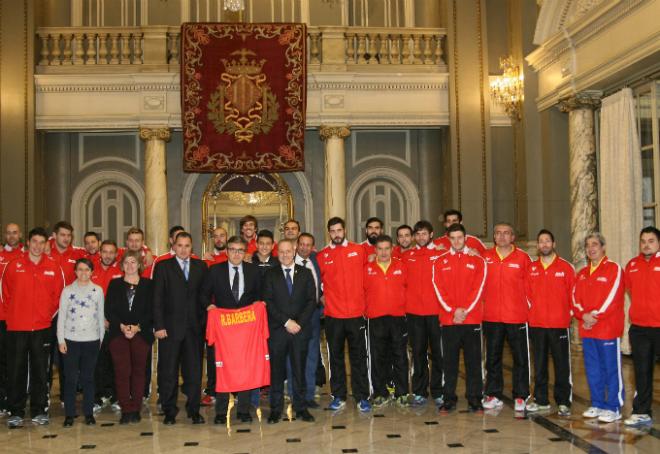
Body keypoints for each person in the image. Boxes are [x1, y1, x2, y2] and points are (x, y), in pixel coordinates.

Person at [2, 227, 65, 428]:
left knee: (41, 370)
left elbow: (59, 297)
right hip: (16, 328)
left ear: (46, 244)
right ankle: (16, 411)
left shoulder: (54, 267)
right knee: (16, 369)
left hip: (42, 327)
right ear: (28, 242)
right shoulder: (13, 265)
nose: (37, 246)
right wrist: (12, 319)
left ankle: (39, 410)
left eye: (41, 242)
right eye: (34, 241)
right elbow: (4, 294)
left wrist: (46, 316)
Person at [201, 236, 262, 424]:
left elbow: (261, 294)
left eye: (240, 250)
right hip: (223, 330)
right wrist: (209, 306)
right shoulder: (215, 270)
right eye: (233, 249)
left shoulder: (254, 271)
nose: (236, 253)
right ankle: (220, 412)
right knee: (221, 369)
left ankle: (243, 410)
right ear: (226, 251)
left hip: (245, 330)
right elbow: (203, 294)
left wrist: (259, 304)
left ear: (245, 253)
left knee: (244, 368)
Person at [153, 232, 208, 425]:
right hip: (169, 329)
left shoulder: (201, 267)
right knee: (168, 373)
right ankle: (169, 411)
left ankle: (194, 410)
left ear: (191, 247)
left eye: (187, 246)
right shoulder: (163, 267)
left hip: (194, 330)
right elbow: (157, 299)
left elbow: (205, 297)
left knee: (194, 373)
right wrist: (158, 325)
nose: (183, 249)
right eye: (180, 245)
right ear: (174, 246)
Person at [318, 217, 371, 412]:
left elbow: (368, 278)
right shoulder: (323, 255)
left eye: (339, 230)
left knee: (358, 358)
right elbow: (316, 283)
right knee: (336, 358)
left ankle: (362, 397)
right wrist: (322, 297)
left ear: (345, 230)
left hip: (357, 315)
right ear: (329, 233)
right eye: (333, 231)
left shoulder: (359, 250)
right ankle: (338, 396)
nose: (336, 234)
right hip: (333, 316)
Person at [432, 223, 487, 412]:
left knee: (473, 362)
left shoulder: (478, 261)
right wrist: (453, 311)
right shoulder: (439, 262)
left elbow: (478, 289)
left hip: (471, 320)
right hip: (449, 321)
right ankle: (449, 398)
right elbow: (439, 289)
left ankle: (475, 398)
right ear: (449, 239)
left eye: (459, 237)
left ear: (465, 238)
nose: (456, 241)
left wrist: (464, 311)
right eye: (453, 238)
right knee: (449, 363)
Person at [262, 239, 316, 424]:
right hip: (278, 331)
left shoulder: (306, 273)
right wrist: (286, 322)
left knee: (299, 371)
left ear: (294, 251)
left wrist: (298, 323)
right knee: (276, 373)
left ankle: (301, 408)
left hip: (300, 331)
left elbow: (311, 301)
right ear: (277, 253)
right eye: (281, 252)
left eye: (288, 251)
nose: (285, 255)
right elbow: (268, 301)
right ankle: (276, 410)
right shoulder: (270, 274)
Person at [573, 232, 625, 423]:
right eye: (588, 245)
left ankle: (613, 406)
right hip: (587, 329)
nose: (591, 248)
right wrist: (583, 315)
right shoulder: (582, 274)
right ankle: (597, 403)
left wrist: (594, 316)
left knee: (611, 368)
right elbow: (574, 299)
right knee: (592, 368)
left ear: (603, 247)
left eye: (595, 244)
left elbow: (613, 297)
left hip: (607, 329)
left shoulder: (614, 269)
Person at [481, 222, 532, 412]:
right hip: (492, 316)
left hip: (516, 317)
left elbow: (531, 288)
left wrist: (529, 311)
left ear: (512, 237)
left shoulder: (523, 258)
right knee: (493, 357)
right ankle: (493, 393)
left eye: (506, 233)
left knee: (520, 358)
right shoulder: (485, 257)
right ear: (494, 237)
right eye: (498, 233)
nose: (502, 236)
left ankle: (521, 395)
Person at [524, 230, 575, 416]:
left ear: (554, 244)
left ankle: (563, 401)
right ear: (538, 246)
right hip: (537, 325)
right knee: (539, 364)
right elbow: (527, 295)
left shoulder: (566, 268)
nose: (544, 244)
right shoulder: (532, 268)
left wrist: (566, 315)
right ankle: (541, 399)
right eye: (541, 241)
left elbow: (573, 296)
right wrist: (533, 313)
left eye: (547, 241)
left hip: (559, 325)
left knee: (562, 365)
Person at [106, 250, 154, 424]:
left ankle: (136, 408)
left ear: (139, 264)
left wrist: (137, 327)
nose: (130, 265)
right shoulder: (115, 284)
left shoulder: (149, 284)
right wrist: (121, 326)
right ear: (122, 265)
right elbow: (109, 309)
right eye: (127, 262)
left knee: (139, 371)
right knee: (122, 371)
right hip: (118, 333)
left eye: (133, 262)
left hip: (141, 333)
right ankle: (126, 408)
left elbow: (152, 310)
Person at [401, 220, 444, 407]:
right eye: (417, 234)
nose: (420, 237)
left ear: (431, 234)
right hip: (414, 313)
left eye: (424, 233)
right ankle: (419, 391)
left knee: (438, 353)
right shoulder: (406, 255)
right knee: (418, 353)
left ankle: (438, 390)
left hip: (436, 312)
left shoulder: (441, 254)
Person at [57, 258, 105, 427]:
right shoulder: (67, 291)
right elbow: (61, 316)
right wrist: (61, 339)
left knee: (88, 378)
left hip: (91, 341)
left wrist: (101, 339)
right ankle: (69, 414)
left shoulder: (97, 291)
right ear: (75, 271)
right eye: (80, 269)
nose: (83, 273)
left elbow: (100, 317)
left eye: (87, 269)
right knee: (70, 378)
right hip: (71, 340)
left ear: (92, 272)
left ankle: (89, 413)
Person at [363, 235, 409, 407]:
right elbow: (362, 292)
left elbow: (408, 289)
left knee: (400, 356)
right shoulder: (366, 269)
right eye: (380, 248)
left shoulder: (402, 267)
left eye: (386, 248)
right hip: (375, 319)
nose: (383, 252)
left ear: (392, 249)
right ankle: (380, 392)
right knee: (378, 357)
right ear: (375, 250)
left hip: (398, 318)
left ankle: (402, 392)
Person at [624, 226, 660, 426]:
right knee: (642, 370)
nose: (646, 244)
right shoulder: (632, 265)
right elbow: (630, 289)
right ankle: (641, 411)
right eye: (643, 241)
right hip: (639, 328)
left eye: (651, 240)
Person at [90, 240, 123, 411]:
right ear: (99, 253)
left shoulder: (121, 271)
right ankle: (97, 396)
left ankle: (116, 396)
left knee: (116, 361)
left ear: (116, 254)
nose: (108, 255)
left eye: (111, 252)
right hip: (94, 324)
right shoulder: (91, 269)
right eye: (105, 252)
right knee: (97, 362)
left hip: (114, 324)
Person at [293, 232, 324, 408]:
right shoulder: (288, 259)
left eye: (308, 245)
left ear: (313, 247)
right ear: (296, 245)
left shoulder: (316, 261)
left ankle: (309, 394)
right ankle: (295, 393)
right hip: (294, 318)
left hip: (313, 317)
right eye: (302, 244)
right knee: (294, 358)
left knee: (312, 357)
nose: (304, 248)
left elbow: (321, 285)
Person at [0, 222, 23, 415]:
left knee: (16, 361)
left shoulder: (25, 255)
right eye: (8, 233)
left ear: (20, 234)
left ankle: (16, 397)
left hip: (19, 319)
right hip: (2, 317)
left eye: (15, 233)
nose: (11, 236)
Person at [48, 221, 87, 285]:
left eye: (69, 235)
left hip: (71, 294)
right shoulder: (44, 252)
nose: (66, 239)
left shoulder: (79, 254)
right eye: (63, 235)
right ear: (54, 235)